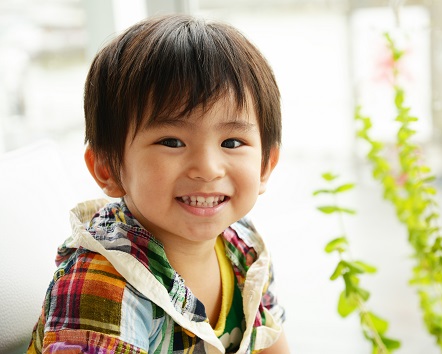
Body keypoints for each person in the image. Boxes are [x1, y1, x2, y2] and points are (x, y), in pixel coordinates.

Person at [27, 14, 289, 354]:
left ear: (266, 165)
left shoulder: (243, 248)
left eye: (232, 142)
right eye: (171, 141)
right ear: (108, 168)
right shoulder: (104, 284)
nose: (208, 169)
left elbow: (270, 342)